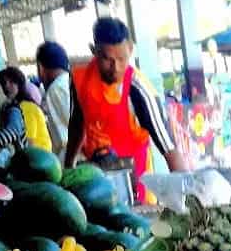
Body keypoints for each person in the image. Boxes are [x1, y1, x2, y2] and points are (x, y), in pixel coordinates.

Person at [65, 15, 188, 194]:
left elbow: (167, 145)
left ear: (130, 49)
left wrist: (190, 195)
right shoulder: (79, 78)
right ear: (95, 51)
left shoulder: (138, 87)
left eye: (122, 58)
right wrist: (68, 168)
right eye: (108, 59)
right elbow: (77, 123)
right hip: (96, 173)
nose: (116, 67)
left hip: (134, 175)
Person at [0, 67, 52, 150]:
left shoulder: (25, 107)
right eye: (4, 83)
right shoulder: (19, 105)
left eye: (11, 82)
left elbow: (29, 142)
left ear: (19, 83)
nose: (6, 86)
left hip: (39, 158)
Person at [35, 40, 72, 155]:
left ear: (41, 68)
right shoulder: (70, 82)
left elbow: (75, 128)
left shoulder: (56, 89)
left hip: (73, 159)